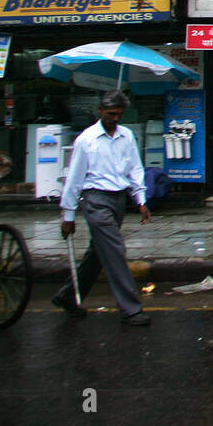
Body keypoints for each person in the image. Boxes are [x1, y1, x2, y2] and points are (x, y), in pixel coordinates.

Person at [52, 91, 151, 325]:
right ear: (100, 111)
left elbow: (135, 169)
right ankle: (130, 309)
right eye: (110, 114)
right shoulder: (87, 140)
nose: (115, 118)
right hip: (95, 200)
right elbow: (74, 178)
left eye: (118, 114)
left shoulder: (127, 136)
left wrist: (141, 200)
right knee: (115, 249)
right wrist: (68, 214)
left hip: (118, 199)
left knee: (98, 254)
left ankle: (67, 296)